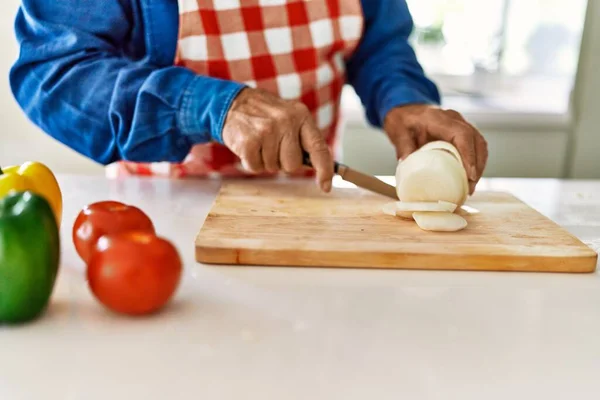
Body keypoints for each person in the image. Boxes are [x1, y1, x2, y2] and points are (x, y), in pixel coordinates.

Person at [9, 0, 487, 194]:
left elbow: (378, 41)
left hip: (310, 205)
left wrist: (404, 100)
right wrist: (210, 106)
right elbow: (53, 72)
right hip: (162, 215)